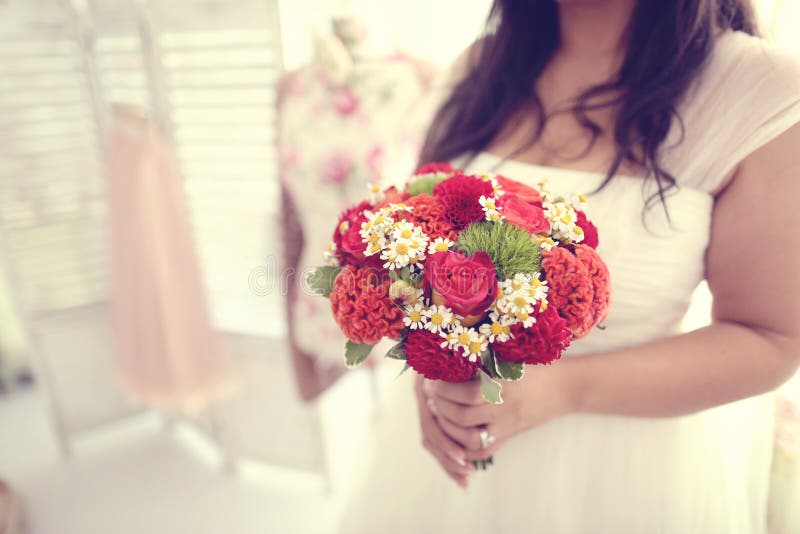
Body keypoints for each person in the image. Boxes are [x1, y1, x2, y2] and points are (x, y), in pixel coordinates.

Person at [337, 1, 800, 532]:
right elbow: (420, 242)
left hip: (623, 473)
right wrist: (435, 368)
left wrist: (564, 389)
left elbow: (771, 339)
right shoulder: (478, 68)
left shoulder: (762, 88)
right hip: (445, 465)